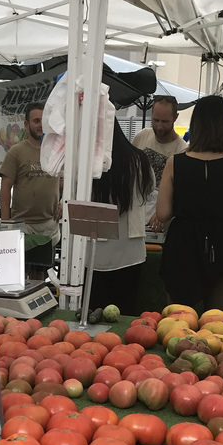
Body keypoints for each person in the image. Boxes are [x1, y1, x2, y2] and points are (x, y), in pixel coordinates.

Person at [150, 94, 223, 313]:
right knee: (216, 325)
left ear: (195, 125)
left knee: (177, 322)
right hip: (222, 244)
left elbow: (162, 212)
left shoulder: (175, 162)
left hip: (182, 245)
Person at [88, 121, 156, 317]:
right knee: (125, 313)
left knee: (94, 314)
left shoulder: (90, 162)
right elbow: (149, 190)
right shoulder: (140, 159)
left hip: (96, 251)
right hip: (131, 250)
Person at [0, 102, 61, 278]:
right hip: (23, 226)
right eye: (36, 120)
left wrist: (64, 202)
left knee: (41, 277)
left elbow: (67, 181)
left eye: (44, 120)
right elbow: (5, 190)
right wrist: (6, 225)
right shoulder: (16, 152)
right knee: (19, 276)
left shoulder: (56, 151)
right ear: (26, 125)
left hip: (49, 226)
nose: (40, 124)